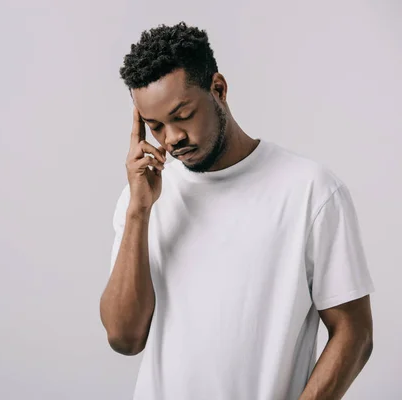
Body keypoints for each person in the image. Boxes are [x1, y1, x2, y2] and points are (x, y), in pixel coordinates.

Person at [99, 22, 375, 400]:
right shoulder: (142, 198)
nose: (172, 138)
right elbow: (124, 338)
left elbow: (354, 333)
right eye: (155, 126)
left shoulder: (310, 190)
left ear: (219, 89)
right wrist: (138, 212)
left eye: (183, 115)